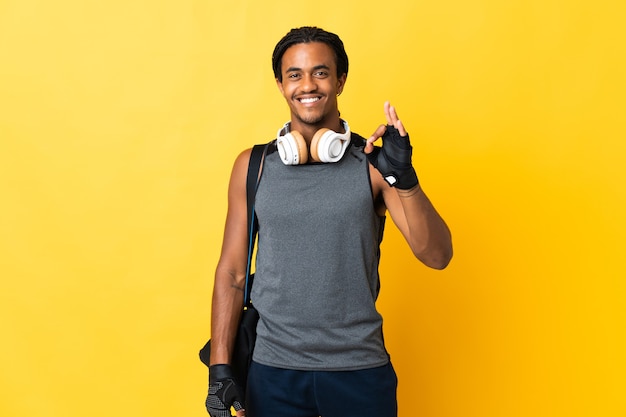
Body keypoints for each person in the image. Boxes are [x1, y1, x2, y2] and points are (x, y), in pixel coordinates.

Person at [206, 26, 453, 417]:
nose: (308, 85)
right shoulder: (251, 167)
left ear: (340, 80)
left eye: (320, 73)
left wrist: (404, 180)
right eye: (295, 74)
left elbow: (437, 255)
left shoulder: (373, 163)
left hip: (359, 369)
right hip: (272, 371)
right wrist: (220, 369)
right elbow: (233, 272)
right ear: (280, 84)